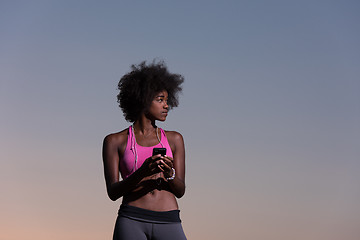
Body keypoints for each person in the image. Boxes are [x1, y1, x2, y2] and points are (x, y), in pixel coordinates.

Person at [102, 61, 187, 240]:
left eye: (167, 100)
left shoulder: (174, 139)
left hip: (169, 220)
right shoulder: (114, 141)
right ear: (143, 99)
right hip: (131, 219)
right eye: (160, 99)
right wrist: (143, 171)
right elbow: (113, 192)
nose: (166, 106)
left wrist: (169, 173)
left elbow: (180, 190)